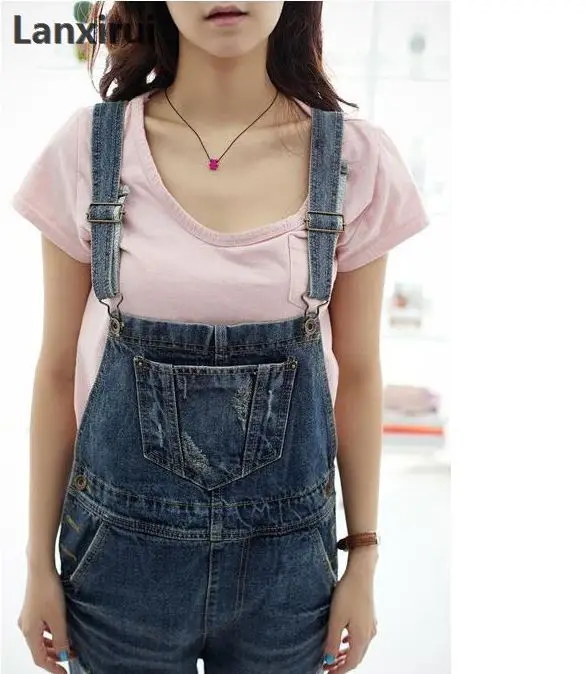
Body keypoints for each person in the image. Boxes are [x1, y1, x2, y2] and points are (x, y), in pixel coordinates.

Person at [12, 2, 429, 673]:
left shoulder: (353, 159)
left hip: (288, 576)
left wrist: (363, 559)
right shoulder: (90, 150)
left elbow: (357, 371)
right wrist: (37, 564)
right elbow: (57, 370)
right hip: (118, 573)